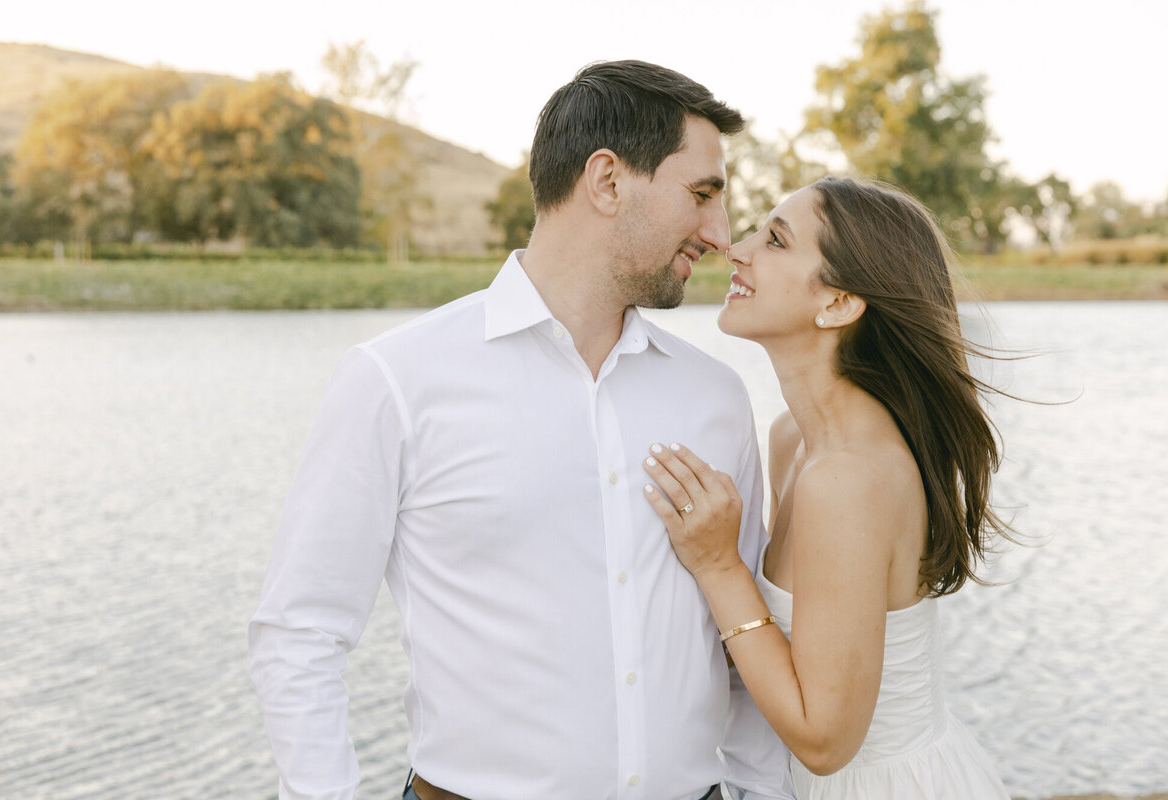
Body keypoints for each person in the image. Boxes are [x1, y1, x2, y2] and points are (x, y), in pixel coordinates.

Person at [249, 60, 794, 800]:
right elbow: (301, 633)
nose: (722, 233)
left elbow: (744, 648)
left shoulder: (716, 397)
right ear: (607, 182)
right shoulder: (397, 380)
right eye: (701, 194)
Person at [642, 177, 1012, 799]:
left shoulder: (848, 479)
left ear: (838, 304)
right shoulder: (794, 439)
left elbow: (824, 740)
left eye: (777, 241)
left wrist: (718, 566)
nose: (739, 248)